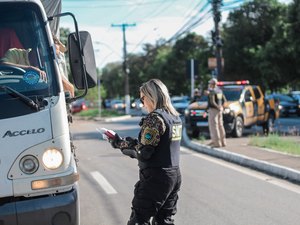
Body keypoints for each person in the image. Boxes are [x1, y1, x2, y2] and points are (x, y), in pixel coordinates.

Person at [108, 79, 182, 225]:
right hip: (174, 176)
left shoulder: (155, 118)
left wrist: (120, 144)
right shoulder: (174, 117)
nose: (142, 103)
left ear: (152, 96)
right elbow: (155, 145)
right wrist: (128, 143)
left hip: (156, 177)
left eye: (143, 98)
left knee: (138, 220)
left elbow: (144, 153)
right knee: (164, 221)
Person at [207, 78, 227, 147]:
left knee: (214, 126)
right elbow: (224, 100)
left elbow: (212, 102)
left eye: (210, 83)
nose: (209, 84)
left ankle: (217, 143)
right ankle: (223, 142)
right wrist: (221, 107)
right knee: (220, 125)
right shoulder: (219, 91)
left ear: (212, 84)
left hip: (213, 110)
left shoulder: (212, 91)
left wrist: (217, 107)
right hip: (219, 110)